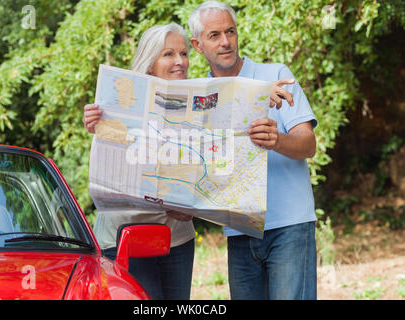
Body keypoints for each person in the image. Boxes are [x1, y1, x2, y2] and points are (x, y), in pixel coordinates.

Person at [188, 1, 318, 300]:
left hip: (290, 227)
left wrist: (278, 141)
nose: (225, 42)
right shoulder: (198, 97)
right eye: (214, 35)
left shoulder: (276, 74)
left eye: (230, 32)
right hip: (240, 231)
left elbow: (308, 144)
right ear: (197, 44)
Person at [85, 23, 196, 300]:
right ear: (150, 63)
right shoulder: (121, 100)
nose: (180, 61)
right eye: (168, 54)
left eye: (183, 53)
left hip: (177, 239)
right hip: (125, 238)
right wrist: (96, 124)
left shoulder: (197, 103)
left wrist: (195, 207)